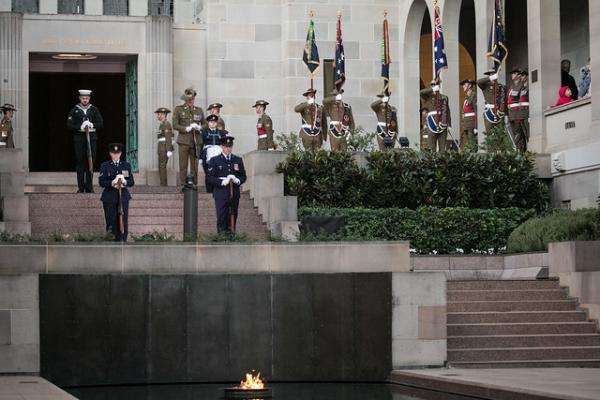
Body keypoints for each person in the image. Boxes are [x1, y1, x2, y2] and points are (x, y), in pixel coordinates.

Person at [206, 136, 247, 235]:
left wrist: (237, 180)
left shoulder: (237, 160)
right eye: (226, 146)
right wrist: (221, 182)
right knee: (221, 216)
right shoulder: (214, 160)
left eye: (230, 146)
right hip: (221, 194)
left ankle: (231, 236)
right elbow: (210, 178)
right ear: (221, 147)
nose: (228, 149)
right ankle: (221, 237)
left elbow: (243, 176)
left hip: (234, 193)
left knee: (233, 215)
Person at [67, 89, 104, 193]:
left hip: (91, 139)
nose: (85, 100)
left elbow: (100, 123)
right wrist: (80, 127)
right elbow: (69, 125)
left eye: (87, 98)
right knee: (80, 163)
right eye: (83, 98)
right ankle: (81, 187)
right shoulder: (75, 110)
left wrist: (92, 124)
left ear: (89, 98)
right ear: (80, 98)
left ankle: (89, 187)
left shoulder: (94, 109)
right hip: (79, 139)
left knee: (90, 162)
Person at [98, 143, 134, 242]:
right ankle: (111, 241)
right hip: (109, 197)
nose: (116, 155)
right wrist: (112, 182)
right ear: (110, 154)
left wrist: (125, 182)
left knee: (123, 221)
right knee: (111, 221)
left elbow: (131, 181)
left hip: (123, 197)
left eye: (117, 153)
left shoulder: (126, 165)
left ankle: (123, 241)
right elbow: (101, 182)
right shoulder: (105, 166)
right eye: (114, 153)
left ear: (121, 153)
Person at [172, 88, 205, 188]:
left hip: (195, 141)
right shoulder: (178, 109)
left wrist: (200, 127)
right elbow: (175, 125)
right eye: (189, 100)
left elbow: (205, 124)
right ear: (185, 100)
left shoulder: (199, 110)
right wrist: (185, 128)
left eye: (192, 99)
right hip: (184, 141)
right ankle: (183, 185)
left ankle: (194, 184)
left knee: (194, 165)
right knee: (183, 165)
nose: (191, 101)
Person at [420, 80, 451, 153]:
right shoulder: (428, 96)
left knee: (442, 148)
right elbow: (421, 92)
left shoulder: (444, 97)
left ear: (439, 86)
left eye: (435, 84)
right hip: (432, 123)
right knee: (431, 147)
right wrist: (432, 89)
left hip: (442, 123)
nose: (434, 85)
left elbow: (447, 111)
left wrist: (449, 124)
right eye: (432, 84)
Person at [200, 114, 228, 192]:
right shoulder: (204, 133)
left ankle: (219, 188)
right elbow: (200, 146)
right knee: (209, 172)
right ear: (208, 123)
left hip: (218, 152)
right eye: (211, 122)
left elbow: (225, 145)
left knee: (219, 171)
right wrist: (200, 157)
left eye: (214, 122)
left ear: (216, 123)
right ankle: (209, 190)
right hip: (208, 153)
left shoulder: (221, 133)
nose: (212, 123)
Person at [154, 107, 174, 186]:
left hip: (164, 147)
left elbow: (168, 137)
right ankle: (163, 183)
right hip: (162, 146)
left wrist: (169, 149)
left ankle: (163, 184)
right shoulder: (162, 124)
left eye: (159, 114)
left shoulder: (166, 124)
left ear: (163, 115)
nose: (158, 116)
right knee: (161, 166)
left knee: (162, 166)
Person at [459, 79, 477, 152]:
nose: (463, 86)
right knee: (468, 140)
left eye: (465, 85)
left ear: (469, 86)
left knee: (472, 141)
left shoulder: (473, 95)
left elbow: (476, 110)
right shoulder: (467, 97)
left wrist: (476, 126)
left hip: (472, 122)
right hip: (466, 123)